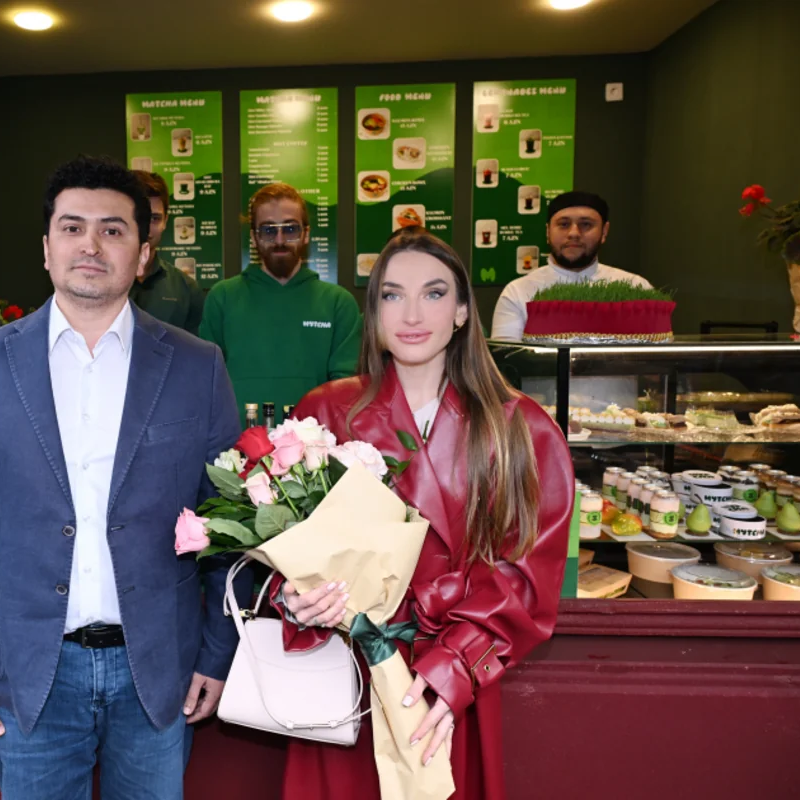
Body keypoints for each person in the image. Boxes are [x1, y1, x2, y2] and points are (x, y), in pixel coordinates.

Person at [0, 156, 249, 799]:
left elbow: (231, 525)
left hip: (158, 674)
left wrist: (217, 652)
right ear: (46, 248)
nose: (91, 244)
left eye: (113, 230)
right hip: (23, 672)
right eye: (72, 227)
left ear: (143, 256)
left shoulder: (197, 366)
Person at [272, 227, 574, 799]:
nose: (411, 314)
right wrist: (293, 597)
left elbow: (525, 579)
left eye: (434, 293)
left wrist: (454, 669)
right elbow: (282, 544)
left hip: (444, 681)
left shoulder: (522, 428)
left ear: (462, 311)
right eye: (392, 295)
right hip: (344, 672)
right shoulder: (324, 412)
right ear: (374, 312)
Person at [199, 182, 361, 415]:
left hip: (315, 437)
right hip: (236, 437)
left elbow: (345, 391)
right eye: (268, 230)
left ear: (306, 234)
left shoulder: (338, 303)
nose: (279, 240)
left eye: (290, 229)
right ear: (254, 237)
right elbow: (206, 382)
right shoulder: (222, 297)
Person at [490, 191, 652, 341]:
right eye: (564, 224)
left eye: (586, 224)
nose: (574, 233)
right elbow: (505, 357)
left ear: (604, 231)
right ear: (548, 232)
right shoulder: (517, 292)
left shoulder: (637, 288)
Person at [128, 171, 205, 334]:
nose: (146, 228)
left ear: (165, 221)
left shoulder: (187, 290)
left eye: (154, 219)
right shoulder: (97, 282)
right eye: (139, 218)